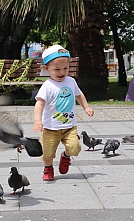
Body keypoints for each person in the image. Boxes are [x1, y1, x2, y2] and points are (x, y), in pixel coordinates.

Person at [33, 45, 94, 181]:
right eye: (57, 69)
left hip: (69, 126)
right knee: (47, 152)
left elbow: (79, 95)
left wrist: (86, 107)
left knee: (75, 147)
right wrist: (38, 120)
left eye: (65, 68)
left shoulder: (71, 81)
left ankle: (65, 156)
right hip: (50, 127)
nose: (62, 72)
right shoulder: (47, 86)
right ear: (47, 69)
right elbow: (39, 104)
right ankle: (48, 168)